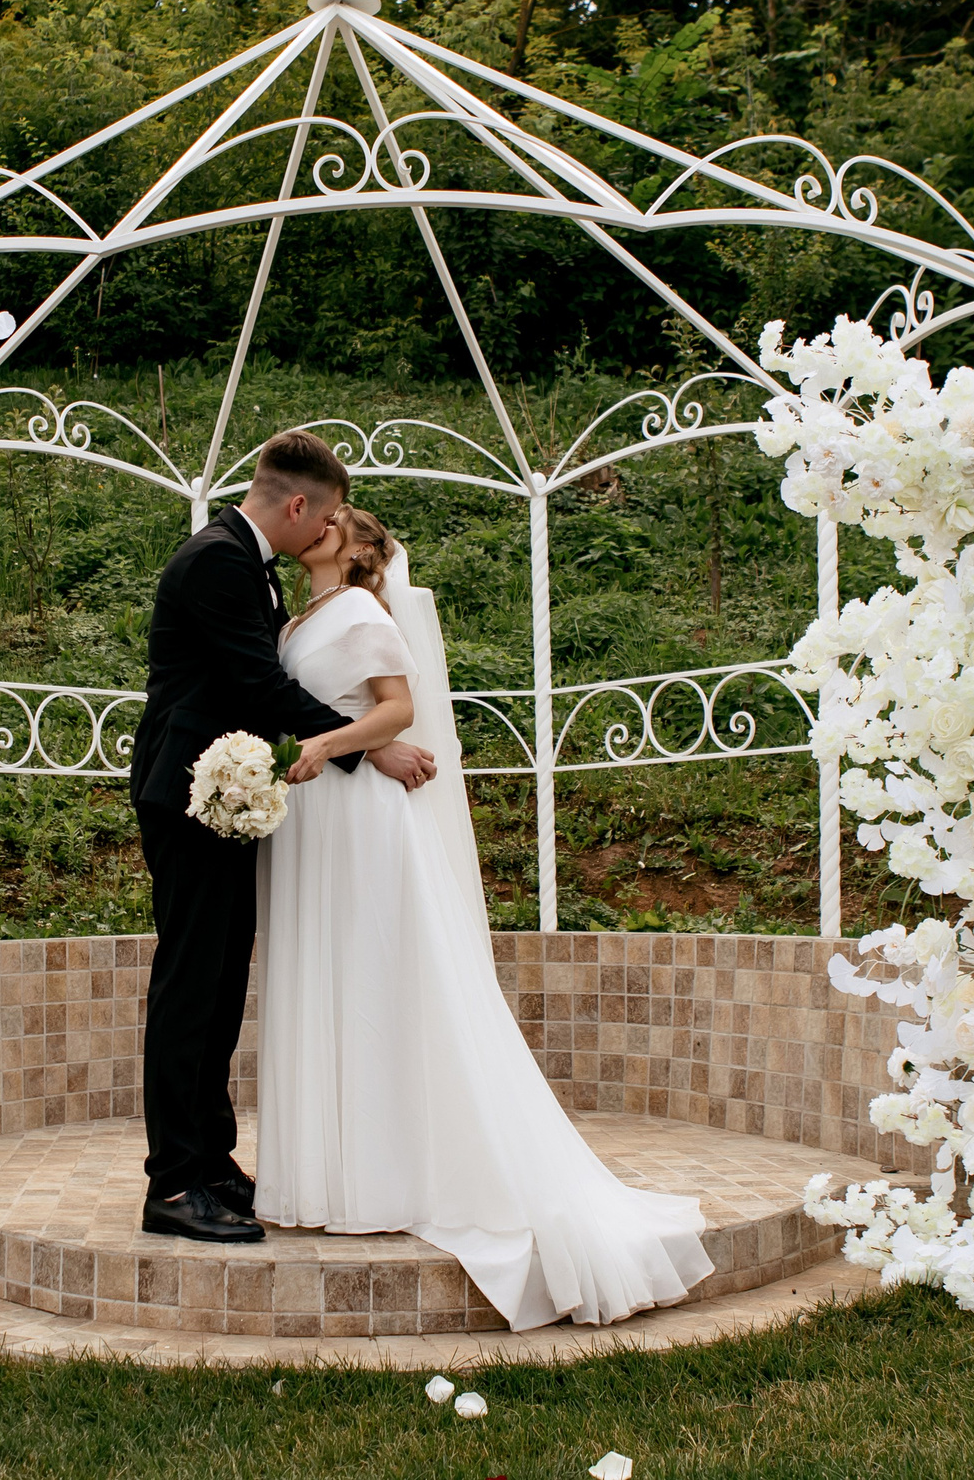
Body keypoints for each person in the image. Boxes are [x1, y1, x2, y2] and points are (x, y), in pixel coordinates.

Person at [258, 506, 714, 1329]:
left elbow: (396, 710)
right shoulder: (298, 619)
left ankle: (386, 1176)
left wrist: (326, 747)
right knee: (323, 976)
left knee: (368, 975)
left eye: (343, 522)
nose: (326, 525)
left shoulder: (362, 610)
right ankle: (327, 1175)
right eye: (321, 516)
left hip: (359, 816)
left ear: (364, 552)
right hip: (313, 817)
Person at [126, 432, 436, 1244]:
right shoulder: (218, 560)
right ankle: (173, 1183)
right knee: (192, 987)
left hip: (229, 799)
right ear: (298, 504)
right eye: (327, 515)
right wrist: (369, 747)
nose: (331, 528)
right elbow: (258, 685)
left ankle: (211, 1160)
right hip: (188, 797)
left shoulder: (248, 563)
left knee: (222, 986)